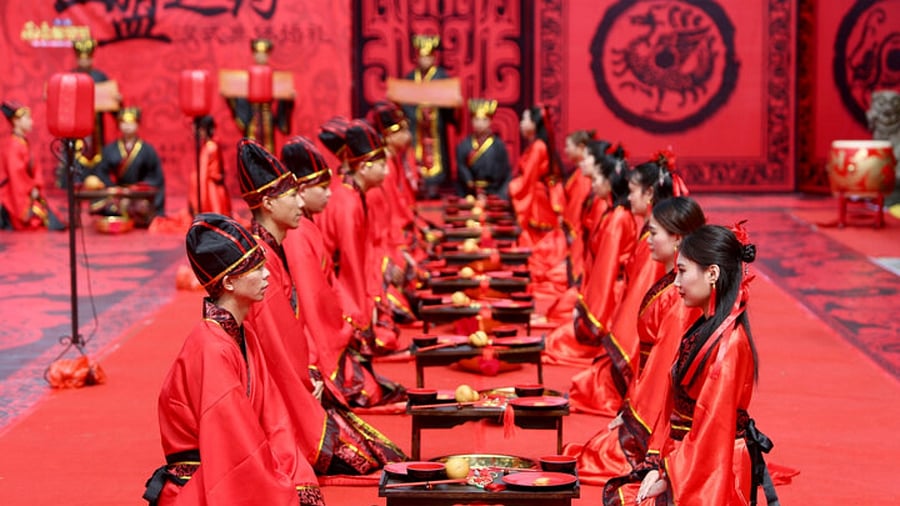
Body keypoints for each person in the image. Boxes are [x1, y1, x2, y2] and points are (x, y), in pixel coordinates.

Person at [237, 138, 406, 475]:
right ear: (268, 204)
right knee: (360, 453)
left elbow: (306, 312)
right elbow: (278, 338)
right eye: (293, 194)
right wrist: (310, 372)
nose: (302, 201)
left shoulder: (280, 242)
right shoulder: (267, 257)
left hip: (307, 359)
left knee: (382, 451)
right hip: (278, 384)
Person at [143, 213, 323, 506]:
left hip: (236, 464)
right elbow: (233, 443)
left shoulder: (242, 333)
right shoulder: (211, 348)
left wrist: (293, 478)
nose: (267, 275)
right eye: (256, 268)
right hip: (208, 482)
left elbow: (274, 419)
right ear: (228, 283)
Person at [603, 223, 778, 506]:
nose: (676, 283)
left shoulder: (728, 345)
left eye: (683, 271)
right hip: (689, 459)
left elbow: (713, 429)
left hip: (710, 470)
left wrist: (668, 476)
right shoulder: (706, 325)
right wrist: (661, 465)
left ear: (712, 274)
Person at [563, 197, 705, 484]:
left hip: (662, 415)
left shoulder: (678, 302)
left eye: (653, 233)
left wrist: (636, 425)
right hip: (648, 397)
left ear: (677, 237)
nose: (647, 239)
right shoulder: (671, 285)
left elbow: (662, 373)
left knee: (594, 457)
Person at [281, 136, 406, 408]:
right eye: (323, 188)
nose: (330, 193)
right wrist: (353, 318)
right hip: (315, 335)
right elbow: (314, 300)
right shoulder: (301, 232)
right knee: (369, 389)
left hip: (337, 310)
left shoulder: (308, 223)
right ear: (301, 191)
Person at [316, 119, 400, 356]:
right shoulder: (347, 203)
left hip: (349, 276)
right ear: (363, 167)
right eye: (381, 165)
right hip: (331, 284)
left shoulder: (353, 193)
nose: (386, 171)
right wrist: (363, 310)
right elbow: (351, 266)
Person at [86, 106, 166, 227]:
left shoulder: (147, 150)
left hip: (138, 193)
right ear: (119, 125)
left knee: (141, 206)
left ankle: (129, 212)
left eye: (131, 123)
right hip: (118, 191)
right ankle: (125, 211)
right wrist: (111, 187)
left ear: (138, 125)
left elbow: (155, 175)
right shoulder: (110, 149)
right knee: (108, 204)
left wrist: (138, 188)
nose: (127, 126)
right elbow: (101, 171)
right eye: (124, 123)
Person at [401, 34, 458, 199]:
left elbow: (450, 107)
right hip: (416, 126)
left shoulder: (442, 77)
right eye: (422, 57)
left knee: (437, 153)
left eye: (428, 57)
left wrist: (453, 104)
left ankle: (434, 187)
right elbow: (404, 102)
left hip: (435, 127)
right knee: (415, 153)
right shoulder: (411, 78)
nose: (425, 60)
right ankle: (419, 186)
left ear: (434, 58)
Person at [0, 100, 65, 231]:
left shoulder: (22, 142)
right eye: (27, 118)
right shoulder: (14, 146)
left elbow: (34, 171)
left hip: (28, 191)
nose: (31, 122)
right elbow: (16, 177)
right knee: (40, 219)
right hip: (15, 195)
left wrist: (36, 185)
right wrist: (31, 188)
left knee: (56, 216)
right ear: (16, 121)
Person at [226, 38, 294, 153]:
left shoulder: (274, 77)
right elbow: (239, 96)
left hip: (267, 117)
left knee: (269, 151)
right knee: (252, 149)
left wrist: (288, 99)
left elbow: (283, 95)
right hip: (252, 117)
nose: (260, 57)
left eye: (264, 54)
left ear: (268, 56)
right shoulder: (247, 77)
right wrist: (231, 97)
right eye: (258, 54)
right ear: (254, 55)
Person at [70, 38, 115, 170]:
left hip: (96, 126)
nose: (84, 62)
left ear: (92, 59)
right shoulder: (70, 77)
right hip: (75, 126)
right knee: (74, 151)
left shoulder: (100, 77)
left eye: (87, 58)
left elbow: (112, 107)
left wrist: (116, 100)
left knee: (98, 151)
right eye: (81, 58)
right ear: (77, 59)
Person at [455, 98, 512, 198]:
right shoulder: (464, 145)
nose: (480, 124)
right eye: (476, 119)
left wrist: (499, 194)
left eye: (484, 120)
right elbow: (461, 167)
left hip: (493, 192)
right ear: (471, 121)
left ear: (490, 121)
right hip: (470, 193)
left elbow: (505, 172)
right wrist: (469, 182)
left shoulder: (498, 146)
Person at [187, 115, 231, 216]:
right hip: (208, 186)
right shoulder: (208, 146)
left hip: (209, 189)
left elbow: (208, 174)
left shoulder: (210, 148)